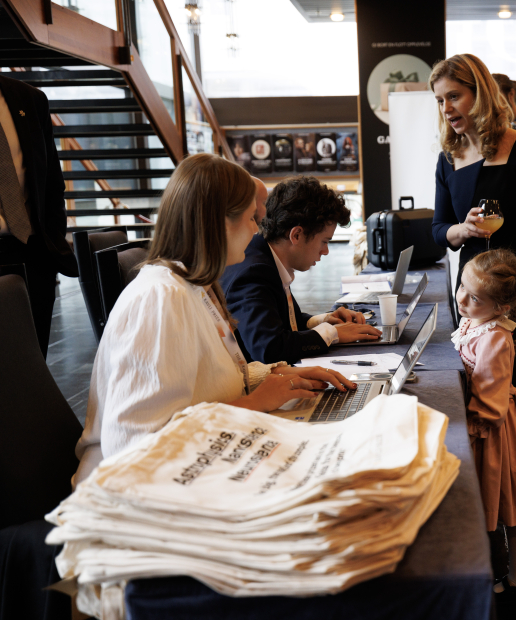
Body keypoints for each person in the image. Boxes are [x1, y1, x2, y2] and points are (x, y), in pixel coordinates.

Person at [74, 154, 355, 485]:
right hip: (135, 501)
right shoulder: (161, 299)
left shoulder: (193, 286)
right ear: (221, 222)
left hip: (193, 473)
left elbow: (209, 381)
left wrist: (281, 374)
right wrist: (253, 404)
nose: (256, 232)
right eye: (252, 219)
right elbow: (134, 446)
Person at [430, 53, 516, 382]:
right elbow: (438, 230)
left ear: (481, 94)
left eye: (454, 96)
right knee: (477, 384)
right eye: (440, 100)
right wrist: (463, 228)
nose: (446, 108)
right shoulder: (448, 159)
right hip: (472, 294)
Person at [452, 249, 516, 607]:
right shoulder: (477, 322)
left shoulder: (494, 338)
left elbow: (489, 399)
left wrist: (467, 424)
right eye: (462, 286)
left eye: (474, 297)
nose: (462, 298)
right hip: (489, 423)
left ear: (502, 307)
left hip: (493, 430)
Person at [221, 175, 381, 364]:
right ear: (296, 235)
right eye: (324, 241)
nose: (326, 251)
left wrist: (323, 321)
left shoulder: (266, 257)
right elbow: (269, 348)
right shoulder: (254, 272)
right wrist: (333, 333)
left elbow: (282, 321)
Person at [0, 74, 77, 357]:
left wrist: (52, 241)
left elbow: (52, 181)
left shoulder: (29, 99)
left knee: (33, 362)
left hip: (33, 253)